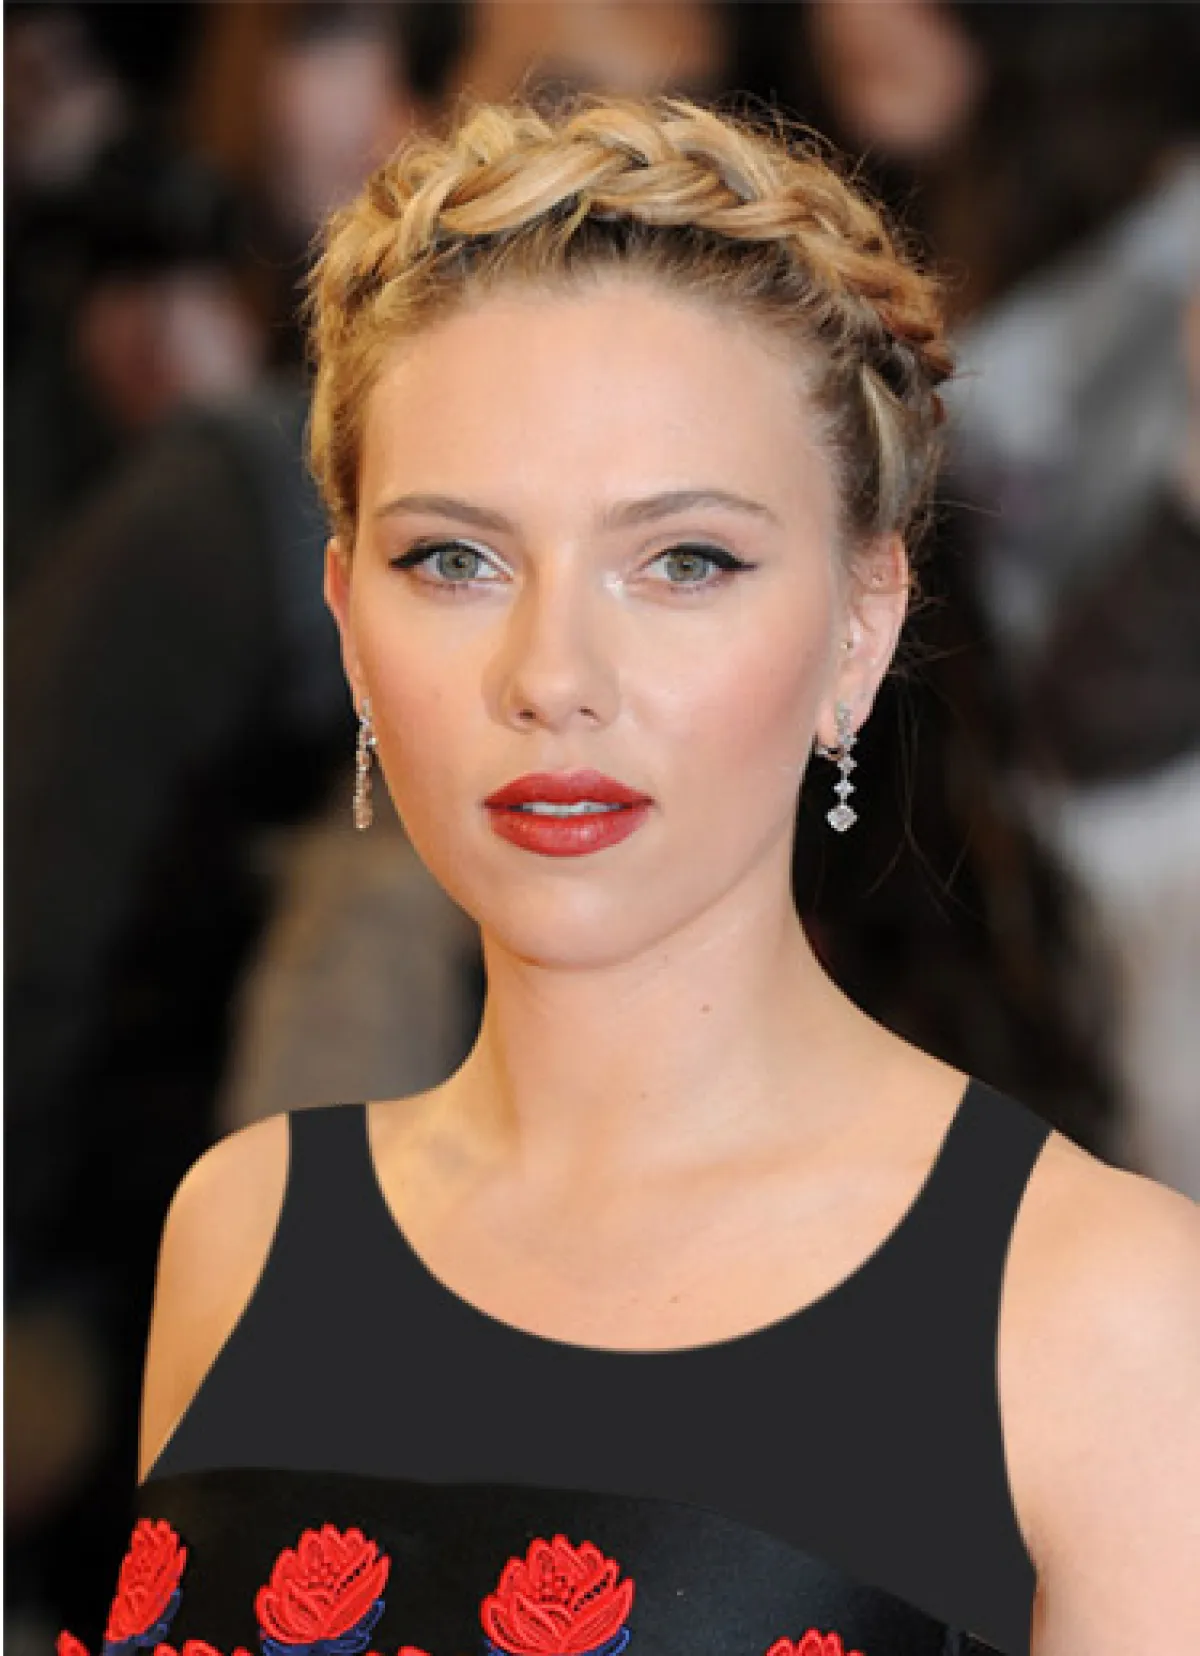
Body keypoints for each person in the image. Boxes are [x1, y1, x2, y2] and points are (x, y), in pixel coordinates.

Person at [57, 91, 1198, 1656]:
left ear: (860, 626)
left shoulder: (1106, 1316)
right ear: (349, 627)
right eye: (455, 559)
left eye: (684, 561)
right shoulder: (242, 1232)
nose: (553, 677)